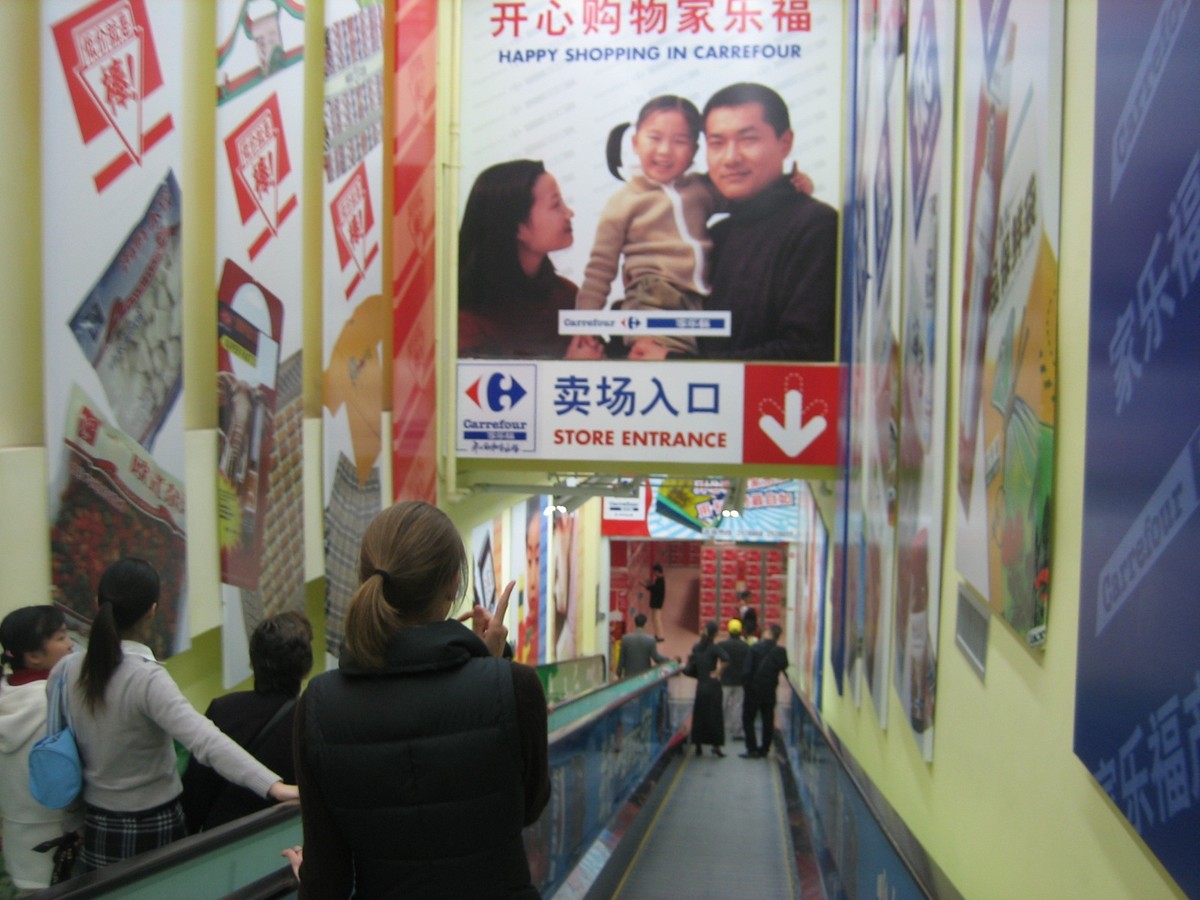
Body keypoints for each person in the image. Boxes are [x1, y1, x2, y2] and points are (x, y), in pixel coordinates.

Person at [286, 501, 550, 898]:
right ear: (452, 584)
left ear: (366, 579)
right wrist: (489, 668)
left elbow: (328, 874)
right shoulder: (515, 687)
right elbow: (527, 808)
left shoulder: (320, 705)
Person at [52, 558, 297, 872]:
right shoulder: (147, 679)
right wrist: (275, 786)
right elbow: (205, 740)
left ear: (98, 603)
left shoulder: (64, 670)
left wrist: (72, 822)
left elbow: (60, 753)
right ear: (152, 611)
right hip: (156, 823)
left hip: (97, 822)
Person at [701, 82, 838, 361]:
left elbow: (805, 353)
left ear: (784, 142)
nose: (731, 158)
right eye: (717, 143)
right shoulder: (716, 235)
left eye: (748, 139)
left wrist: (675, 365)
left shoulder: (817, 227)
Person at [574, 95, 717, 360]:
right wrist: (585, 322)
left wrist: (793, 184)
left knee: (701, 361)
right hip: (653, 299)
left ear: (694, 151)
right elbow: (600, 268)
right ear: (635, 142)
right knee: (661, 360)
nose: (665, 150)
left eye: (680, 141)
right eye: (655, 138)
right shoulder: (624, 202)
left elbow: (747, 196)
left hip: (701, 301)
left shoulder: (702, 188)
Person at [181, 611, 313, 833]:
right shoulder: (310, 719)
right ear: (305, 665)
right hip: (288, 841)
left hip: (223, 842)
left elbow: (195, 795)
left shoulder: (222, 710)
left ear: (253, 660)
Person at [458, 159, 576, 358]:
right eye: (556, 205)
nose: (569, 213)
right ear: (517, 227)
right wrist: (569, 367)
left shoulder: (568, 296)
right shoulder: (468, 319)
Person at [0, 606, 79, 892]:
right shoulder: (56, 702)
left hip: (18, 849)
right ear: (33, 656)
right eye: (60, 637)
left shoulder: (7, 694)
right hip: (60, 847)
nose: (71, 643)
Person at [740, 623, 790, 759]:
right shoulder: (780, 651)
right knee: (768, 719)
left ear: (768, 634)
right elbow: (784, 665)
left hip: (753, 690)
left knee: (748, 719)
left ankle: (752, 748)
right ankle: (765, 748)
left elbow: (747, 670)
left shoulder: (755, 648)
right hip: (770, 690)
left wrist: (746, 685)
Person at [685, 622, 729, 757]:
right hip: (713, 685)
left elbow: (691, 666)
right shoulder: (715, 648)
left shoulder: (696, 647)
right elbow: (726, 659)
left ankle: (698, 745)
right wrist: (718, 672)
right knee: (715, 716)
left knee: (700, 715)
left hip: (701, 684)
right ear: (715, 634)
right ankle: (716, 746)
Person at [717, 618, 749, 741]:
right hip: (740, 682)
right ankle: (737, 731)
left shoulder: (722, 645)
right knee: (738, 706)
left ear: (728, 631)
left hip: (725, 681)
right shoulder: (745, 646)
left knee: (722, 706)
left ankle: (719, 730)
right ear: (741, 631)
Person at [615, 614, 668, 678]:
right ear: (645, 624)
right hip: (644, 676)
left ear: (635, 623)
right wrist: (669, 659)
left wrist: (618, 674)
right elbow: (656, 658)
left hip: (629, 677)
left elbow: (621, 660)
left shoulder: (625, 639)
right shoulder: (650, 640)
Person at [643, 562, 666, 642]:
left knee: (657, 619)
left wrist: (646, 586)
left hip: (657, 603)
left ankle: (660, 636)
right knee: (655, 619)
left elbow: (655, 589)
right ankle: (657, 634)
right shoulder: (660, 580)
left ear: (657, 571)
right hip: (657, 603)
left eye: (655, 571)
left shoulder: (660, 580)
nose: (654, 573)